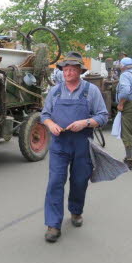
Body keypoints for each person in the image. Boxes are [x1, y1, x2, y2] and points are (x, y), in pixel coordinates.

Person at [41, 51, 109, 243]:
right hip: (59, 144)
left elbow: (103, 116)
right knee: (55, 182)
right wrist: (50, 124)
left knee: (79, 182)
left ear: (80, 71)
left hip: (82, 144)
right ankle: (53, 224)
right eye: (65, 69)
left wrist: (85, 122)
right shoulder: (55, 91)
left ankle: (76, 211)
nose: (67, 73)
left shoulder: (91, 91)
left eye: (72, 69)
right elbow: (44, 114)